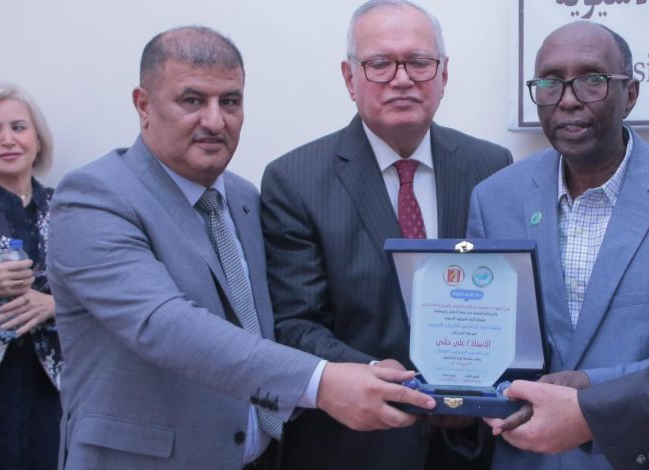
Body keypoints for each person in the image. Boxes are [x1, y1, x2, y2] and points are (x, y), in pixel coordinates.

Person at [49, 25, 435, 470]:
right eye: (192, 100)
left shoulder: (243, 198)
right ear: (144, 105)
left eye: (230, 101)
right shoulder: (93, 197)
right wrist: (322, 382)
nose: (215, 121)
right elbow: (163, 324)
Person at [482, 2, 649, 469]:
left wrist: (594, 393)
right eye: (549, 82)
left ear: (630, 94)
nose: (568, 99)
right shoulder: (493, 198)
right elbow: (487, 337)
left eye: (592, 79)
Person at [260, 1, 512, 468]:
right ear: (349, 78)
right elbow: (295, 323)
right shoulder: (294, 180)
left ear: (443, 74)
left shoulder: (491, 167)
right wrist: (382, 377)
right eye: (380, 64)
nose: (402, 79)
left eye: (419, 62)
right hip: (351, 447)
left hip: (467, 445)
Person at [0, 84, 61, 470]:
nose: (7, 139)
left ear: (38, 140)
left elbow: (102, 292)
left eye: (18, 127)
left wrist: (53, 304)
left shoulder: (66, 208)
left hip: (51, 389)